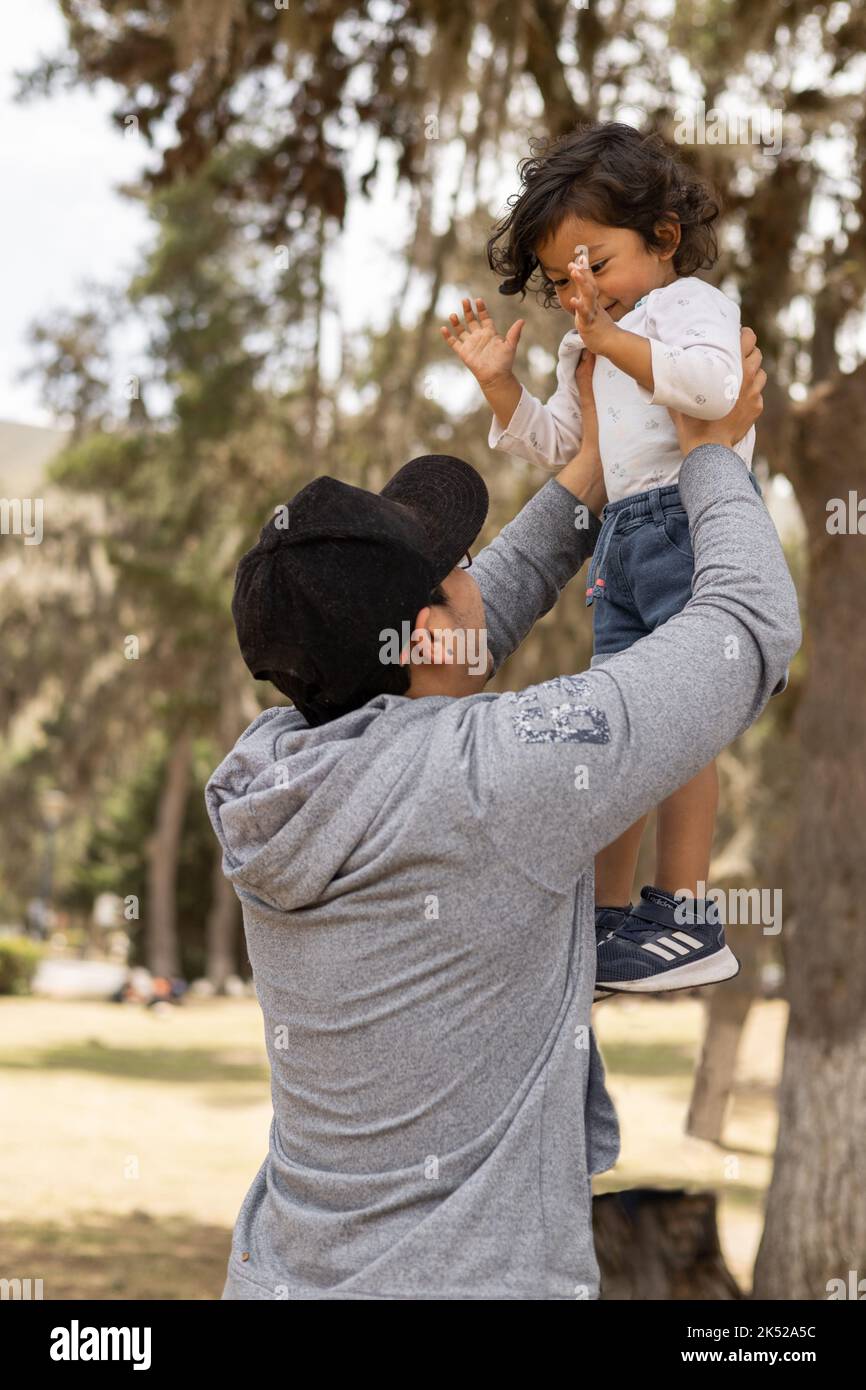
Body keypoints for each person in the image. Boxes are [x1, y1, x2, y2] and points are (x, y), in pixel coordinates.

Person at [205, 332, 799, 1300]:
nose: (482, 566)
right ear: (427, 628)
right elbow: (743, 629)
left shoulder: (267, 772)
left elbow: (472, 625)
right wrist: (714, 453)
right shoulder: (490, 782)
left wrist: (595, 464)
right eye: (459, 563)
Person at [441, 121, 786, 994]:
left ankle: (685, 910)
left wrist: (606, 343)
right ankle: (606, 917)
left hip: (687, 523)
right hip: (621, 541)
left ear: (663, 238)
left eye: (593, 263)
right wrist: (502, 387)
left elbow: (713, 392)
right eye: (562, 282)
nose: (577, 292)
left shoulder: (687, 308)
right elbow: (568, 448)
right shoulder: (587, 342)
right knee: (617, 727)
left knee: (684, 720)